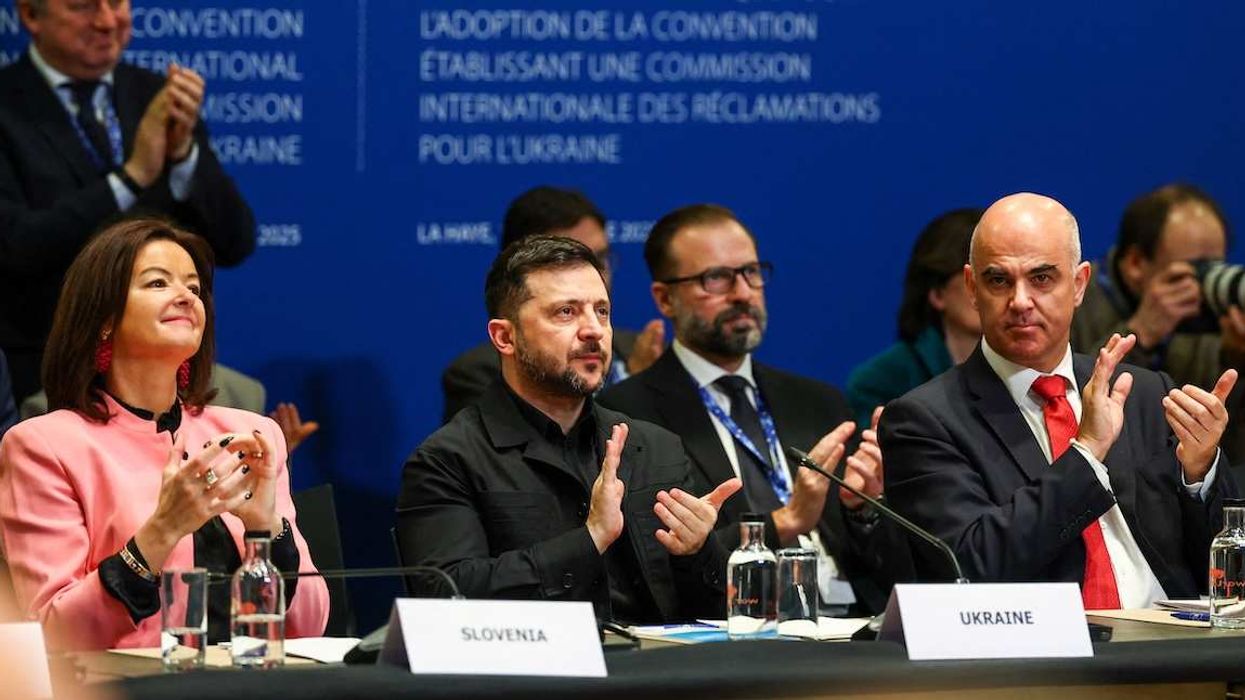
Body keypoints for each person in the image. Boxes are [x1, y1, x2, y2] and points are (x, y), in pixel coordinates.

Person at [880, 192, 1238, 607]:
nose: (1020, 301)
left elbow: (1224, 567)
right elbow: (969, 568)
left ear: (1080, 284)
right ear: (971, 288)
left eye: (1042, 278)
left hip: (1173, 645)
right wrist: (1086, 453)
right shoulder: (924, 420)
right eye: (998, 280)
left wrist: (1200, 473)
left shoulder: (1145, 394)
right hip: (1046, 658)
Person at [0, 219, 327, 650]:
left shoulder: (250, 433)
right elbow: (56, 634)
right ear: (104, 318)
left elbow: (311, 622)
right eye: (157, 283)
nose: (186, 297)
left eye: (194, 287)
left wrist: (266, 528)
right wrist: (162, 531)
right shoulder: (43, 447)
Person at [398, 235, 741, 623]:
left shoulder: (655, 448)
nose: (593, 330)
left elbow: (714, 616)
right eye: (566, 312)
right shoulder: (448, 460)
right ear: (505, 337)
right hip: (533, 679)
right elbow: (446, 597)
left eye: (602, 311)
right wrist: (590, 538)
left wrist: (700, 552)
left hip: (658, 674)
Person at [598, 204, 910, 615]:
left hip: (849, 631)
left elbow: (886, 566)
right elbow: (658, 564)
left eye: (750, 273)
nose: (743, 293)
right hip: (733, 638)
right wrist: (784, 523)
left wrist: (863, 510)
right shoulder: (630, 416)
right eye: (716, 278)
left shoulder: (817, 402)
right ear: (665, 298)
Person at [0, 0, 256, 403]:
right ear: (31, 16)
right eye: (83, 7)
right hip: (40, 375)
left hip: (165, 382)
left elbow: (235, 240)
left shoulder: (154, 95)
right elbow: (15, 247)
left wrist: (184, 156)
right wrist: (131, 177)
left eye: (117, 3)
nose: (107, 21)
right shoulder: (7, 104)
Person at [441, 186, 665, 422]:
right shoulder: (476, 373)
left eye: (600, 258)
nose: (596, 272)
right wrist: (634, 391)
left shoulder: (642, 351)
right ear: (522, 263)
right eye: (571, 261)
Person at [1071, 183, 1245, 463]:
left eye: (1215, 266)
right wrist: (1141, 332)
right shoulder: (1075, 306)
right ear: (1136, 264)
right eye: (1195, 270)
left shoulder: (1211, 316)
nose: (1205, 283)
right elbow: (1064, 407)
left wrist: (1236, 360)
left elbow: (1229, 452)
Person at [846, 208, 983, 428]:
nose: (991, 292)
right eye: (977, 277)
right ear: (938, 293)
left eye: (998, 278)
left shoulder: (1031, 367)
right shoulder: (880, 383)